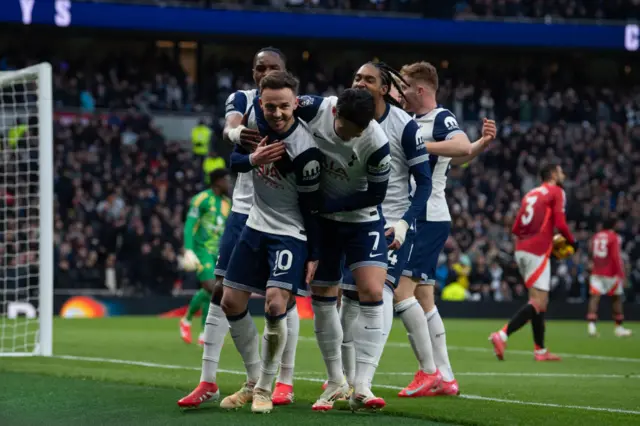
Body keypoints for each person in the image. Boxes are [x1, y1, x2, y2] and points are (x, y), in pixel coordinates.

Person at [177, 47, 290, 409]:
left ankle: (282, 381)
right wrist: (238, 134)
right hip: (244, 210)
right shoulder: (242, 98)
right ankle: (212, 379)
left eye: (273, 67)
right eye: (260, 67)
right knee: (221, 292)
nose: (265, 72)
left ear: (284, 73)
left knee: (281, 298)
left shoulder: (298, 105)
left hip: (287, 213)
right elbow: (230, 129)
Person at [219, 70, 322, 414]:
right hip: (255, 225)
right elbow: (234, 160)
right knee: (230, 301)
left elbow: (312, 206)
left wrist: (313, 252)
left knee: (276, 306)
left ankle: (266, 387)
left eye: (283, 107)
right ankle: (252, 381)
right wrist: (253, 159)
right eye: (269, 107)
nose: (276, 114)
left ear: (295, 103)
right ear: (259, 103)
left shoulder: (306, 150)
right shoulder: (254, 124)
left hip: (290, 233)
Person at [337, 61, 438, 396]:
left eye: (368, 79)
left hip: (390, 225)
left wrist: (405, 223)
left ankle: (364, 382)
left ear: (384, 88)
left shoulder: (405, 126)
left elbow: (423, 184)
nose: (360, 83)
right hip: (351, 219)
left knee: (381, 294)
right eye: (356, 77)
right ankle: (344, 380)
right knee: (346, 300)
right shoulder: (341, 116)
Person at [399, 61, 496, 395]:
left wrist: (420, 147)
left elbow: (457, 144)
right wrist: (481, 145)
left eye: (405, 87)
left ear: (421, 89)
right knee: (425, 299)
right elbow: (461, 155)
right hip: (419, 215)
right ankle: (447, 378)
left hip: (427, 216)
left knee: (400, 290)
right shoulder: (412, 120)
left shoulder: (440, 117)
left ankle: (429, 372)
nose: (400, 93)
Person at [296, 88, 390, 411]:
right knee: (323, 295)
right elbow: (280, 115)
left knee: (372, 290)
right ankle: (335, 380)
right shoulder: (313, 109)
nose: (358, 135)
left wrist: (332, 203)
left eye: (363, 129)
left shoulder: (376, 144)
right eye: (353, 129)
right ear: (337, 115)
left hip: (361, 220)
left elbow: (376, 195)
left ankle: (362, 384)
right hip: (324, 222)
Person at [490, 162, 575, 362]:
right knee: (539, 301)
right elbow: (561, 223)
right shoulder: (556, 191)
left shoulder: (530, 194)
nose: (563, 174)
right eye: (561, 171)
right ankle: (502, 334)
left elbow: (517, 227)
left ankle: (540, 350)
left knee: (537, 302)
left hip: (522, 250)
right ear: (553, 174)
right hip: (537, 251)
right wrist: (573, 243)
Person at [179, 169, 232, 346]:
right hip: (201, 250)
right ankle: (191, 323)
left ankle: (199, 330)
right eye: (226, 179)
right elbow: (189, 225)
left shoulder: (227, 203)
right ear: (217, 181)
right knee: (211, 287)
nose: (228, 183)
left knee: (213, 291)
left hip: (218, 252)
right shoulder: (201, 199)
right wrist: (188, 249)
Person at [587, 218, 633, 337]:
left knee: (594, 298)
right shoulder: (614, 237)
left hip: (596, 271)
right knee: (616, 299)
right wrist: (622, 275)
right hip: (610, 272)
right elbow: (615, 257)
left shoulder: (596, 236)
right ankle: (618, 328)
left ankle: (591, 327)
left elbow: (591, 251)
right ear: (614, 225)